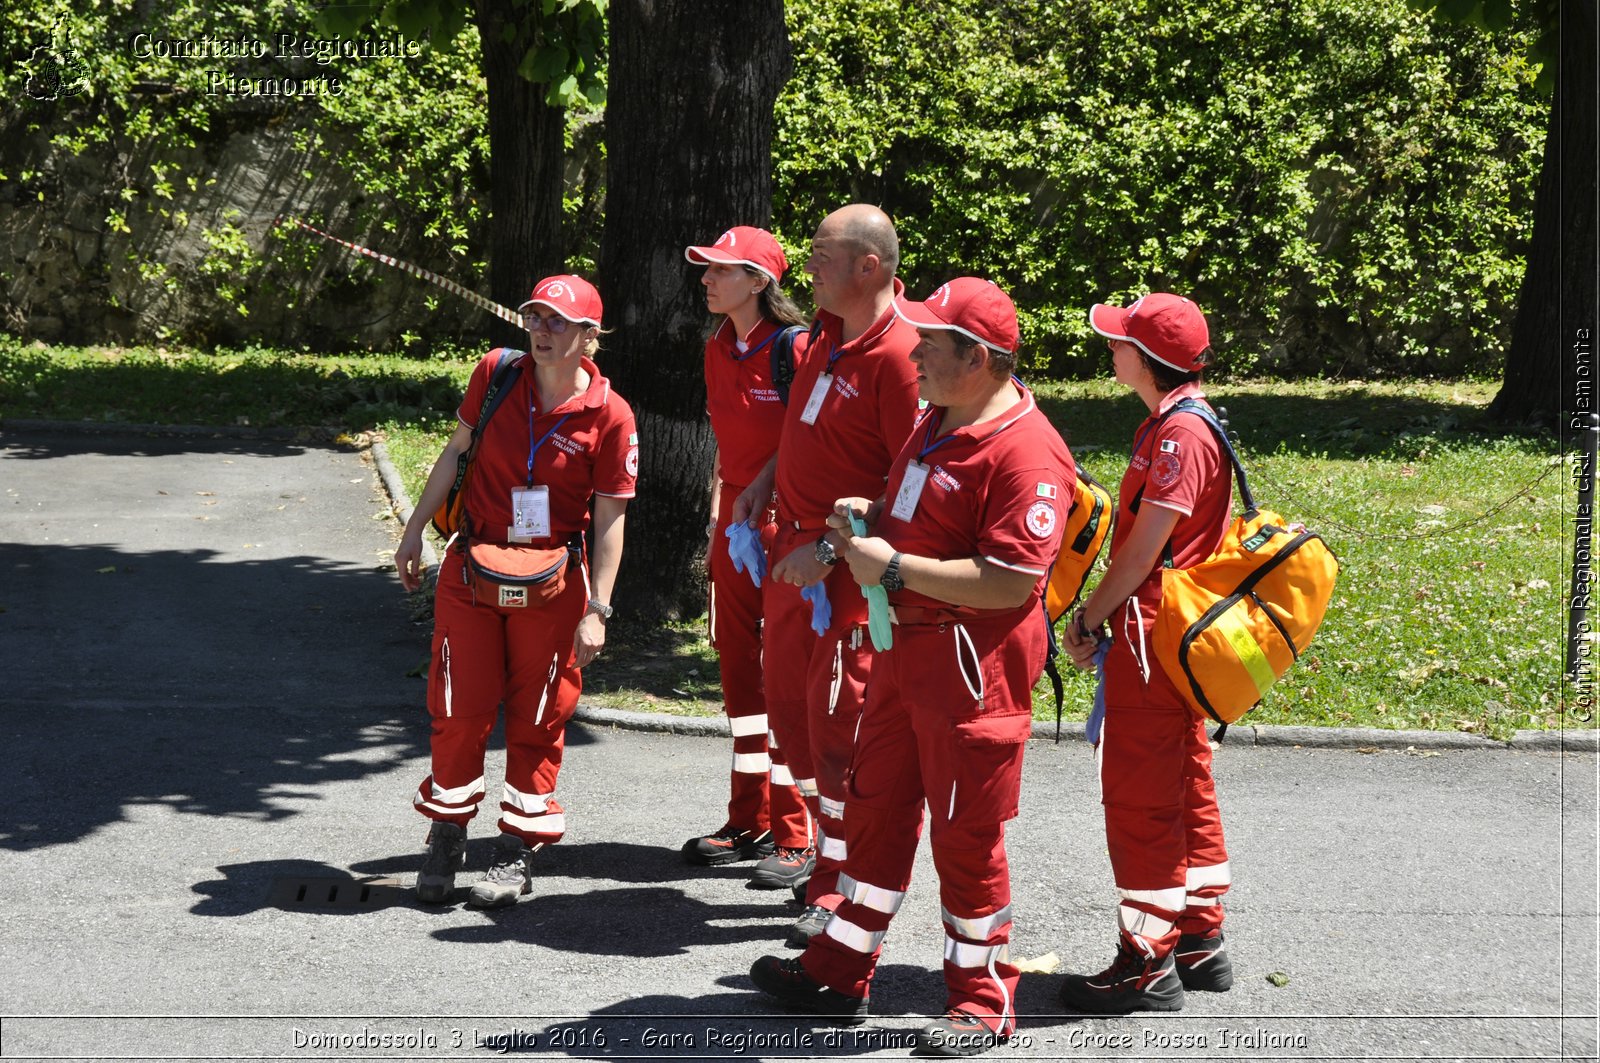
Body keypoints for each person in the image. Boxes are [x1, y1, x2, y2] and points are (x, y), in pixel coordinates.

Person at [747, 277, 1075, 1057]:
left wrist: (892, 568)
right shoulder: (936, 417)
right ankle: (839, 968)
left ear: (981, 358)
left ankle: (982, 999)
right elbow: (913, 511)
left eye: (931, 343)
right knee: (876, 806)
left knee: (967, 833)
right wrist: (865, 518)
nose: (916, 351)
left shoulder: (1029, 451)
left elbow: (1010, 579)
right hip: (906, 656)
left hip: (972, 669)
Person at [393, 274, 637, 908]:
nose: (541, 332)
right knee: (458, 706)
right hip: (471, 569)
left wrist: (598, 609)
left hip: (554, 583)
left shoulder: (610, 414)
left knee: (539, 714)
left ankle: (516, 850)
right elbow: (454, 453)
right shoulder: (497, 373)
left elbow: (611, 520)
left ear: (590, 336)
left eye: (558, 322)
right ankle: (447, 833)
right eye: (534, 318)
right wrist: (415, 529)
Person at [729, 204, 920, 935]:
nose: (807, 265)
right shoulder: (822, 337)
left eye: (821, 252)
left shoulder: (903, 355)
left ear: (868, 266)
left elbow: (911, 483)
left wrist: (832, 550)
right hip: (795, 560)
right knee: (796, 723)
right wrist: (767, 479)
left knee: (841, 732)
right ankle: (826, 861)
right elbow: (801, 428)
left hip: (843, 575)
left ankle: (841, 884)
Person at [1056, 292, 1234, 1012]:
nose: (1110, 347)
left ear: (1149, 358)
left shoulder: (1175, 437)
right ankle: (1198, 936)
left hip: (1149, 634)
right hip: (1169, 635)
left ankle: (1145, 961)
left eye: (1120, 339)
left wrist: (1089, 615)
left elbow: (1143, 549)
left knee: (1140, 799)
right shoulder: (1181, 423)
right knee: (1183, 780)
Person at [678, 226, 811, 868]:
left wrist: (761, 489)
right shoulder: (716, 347)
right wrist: (716, 525)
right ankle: (747, 819)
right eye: (705, 269)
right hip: (733, 530)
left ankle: (796, 831)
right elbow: (723, 447)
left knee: (785, 676)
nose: (706, 278)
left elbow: (815, 441)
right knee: (738, 674)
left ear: (759, 281)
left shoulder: (797, 347)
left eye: (720, 270)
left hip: (786, 528)